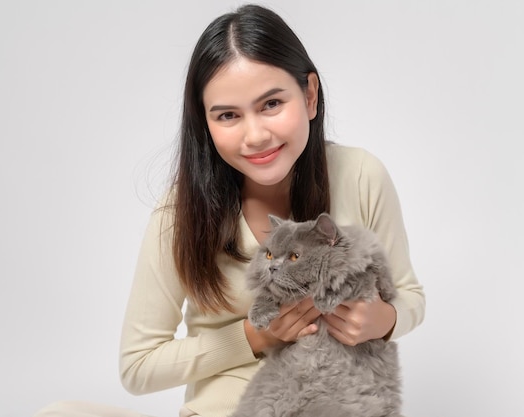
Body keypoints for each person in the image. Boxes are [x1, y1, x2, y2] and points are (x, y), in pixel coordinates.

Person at [34, 3, 425, 417]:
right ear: (205, 123)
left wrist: (384, 321)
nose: (255, 135)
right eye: (228, 116)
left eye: (272, 104)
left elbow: (409, 295)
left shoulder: (361, 175)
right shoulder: (180, 213)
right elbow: (138, 366)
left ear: (309, 95)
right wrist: (253, 337)